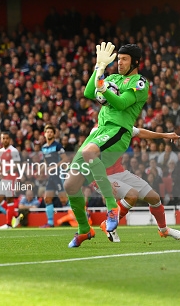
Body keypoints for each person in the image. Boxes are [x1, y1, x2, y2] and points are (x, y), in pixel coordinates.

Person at [64, 42, 149, 248]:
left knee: (89, 151)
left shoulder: (140, 83)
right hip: (101, 131)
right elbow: (88, 92)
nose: (119, 63)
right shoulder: (112, 78)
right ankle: (84, 230)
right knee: (70, 185)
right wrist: (99, 67)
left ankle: (112, 208)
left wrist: (104, 88)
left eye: (124, 59)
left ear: (136, 62)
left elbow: (120, 103)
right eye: (118, 59)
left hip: (118, 132)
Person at [98, 127, 180, 242]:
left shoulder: (124, 125)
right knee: (132, 196)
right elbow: (87, 157)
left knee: (154, 198)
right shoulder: (97, 131)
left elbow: (142, 133)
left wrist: (165, 135)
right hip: (101, 175)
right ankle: (108, 222)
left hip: (120, 172)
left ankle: (164, 230)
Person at [40, 124, 68, 228]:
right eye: (48, 132)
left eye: (51, 132)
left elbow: (65, 159)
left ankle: (84, 213)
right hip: (51, 176)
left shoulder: (58, 146)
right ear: (45, 134)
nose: (49, 133)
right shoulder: (43, 147)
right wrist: (43, 169)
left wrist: (55, 166)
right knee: (47, 198)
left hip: (58, 174)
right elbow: (45, 161)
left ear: (54, 134)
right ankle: (50, 223)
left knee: (64, 200)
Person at [0, 131, 22, 230]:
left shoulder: (13, 150)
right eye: (3, 138)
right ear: (1, 140)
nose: (5, 140)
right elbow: (0, 164)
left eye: (7, 138)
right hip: (4, 177)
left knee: (9, 199)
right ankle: (16, 215)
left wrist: (5, 172)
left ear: (10, 139)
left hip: (11, 177)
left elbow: (17, 164)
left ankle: (8, 224)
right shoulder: (1, 151)